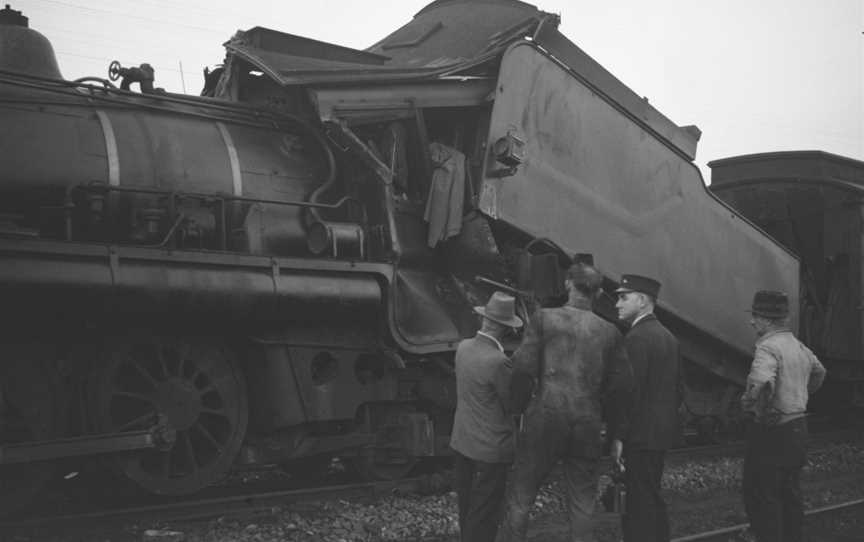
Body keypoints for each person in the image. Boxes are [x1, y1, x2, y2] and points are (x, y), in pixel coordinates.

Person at [496, 260, 633, 542]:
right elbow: (621, 388)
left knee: (522, 495)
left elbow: (523, 369)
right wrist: (616, 431)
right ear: (597, 294)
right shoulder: (610, 332)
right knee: (582, 501)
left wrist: (515, 411)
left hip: (546, 415)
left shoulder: (544, 319)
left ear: (568, 284)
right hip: (587, 422)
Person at [741, 290, 826, 542]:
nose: (751, 321)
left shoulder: (767, 347)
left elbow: (760, 382)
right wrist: (801, 394)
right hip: (799, 429)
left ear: (767, 320)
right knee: (790, 494)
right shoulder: (798, 346)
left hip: (773, 432)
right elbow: (820, 372)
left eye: (755, 316)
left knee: (763, 496)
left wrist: (749, 404)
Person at [612, 274, 682, 542]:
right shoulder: (669, 338)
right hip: (660, 434)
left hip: (639, 436)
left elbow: (629, 393)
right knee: (652, 498)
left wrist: (618, 436)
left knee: (638, 507)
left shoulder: (636, 339)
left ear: (642, 301)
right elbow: (679, 390)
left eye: (623, 297)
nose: (617, 304)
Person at [450, 291, 524, 542]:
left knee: (467, 508)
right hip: (490, 450)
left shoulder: (462, 348)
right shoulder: (499, 361)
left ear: (484, 320)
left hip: (463, 442)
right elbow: (514, 404)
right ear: (505, 329)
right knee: (485, 515)